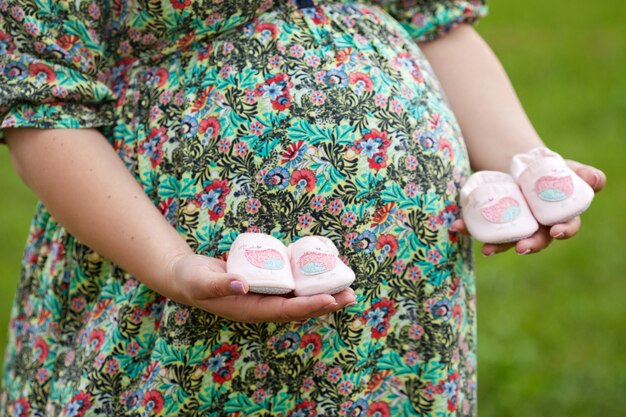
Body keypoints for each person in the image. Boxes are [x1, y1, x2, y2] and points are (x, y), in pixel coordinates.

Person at [0, 0, 606, 416]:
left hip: (403, 306)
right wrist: (174, 267)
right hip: (177, 278)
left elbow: (434, 21)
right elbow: (42, 104)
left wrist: (529, 166)